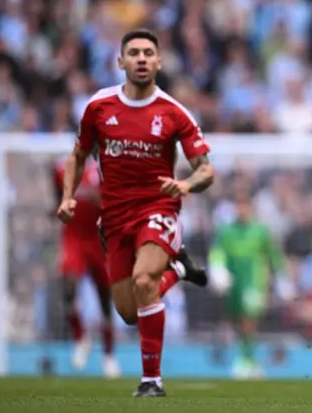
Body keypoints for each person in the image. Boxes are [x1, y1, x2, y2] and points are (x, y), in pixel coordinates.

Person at [57, 28, 213, 397]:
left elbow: (206, 169)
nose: (141, 58)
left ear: (158, 61)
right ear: (120, 61)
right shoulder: (99, 107)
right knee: (128, 311)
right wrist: (67, 197)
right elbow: (78, 155)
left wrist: (187, 185)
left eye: (148, 53)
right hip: (113, 218)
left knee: (145, 282)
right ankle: (178, 268)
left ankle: (151, 381)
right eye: (134, 53)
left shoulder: (174, 113)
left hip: (158, 208)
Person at [208, 195, 291, 379]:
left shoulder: (260, 231)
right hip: (233, 282)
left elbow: (274, 254)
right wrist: (217, 269)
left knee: (249, 318)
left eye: (245, 207)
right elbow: (217, 252)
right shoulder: (226, 231)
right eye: (239, 207)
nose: (242, 211)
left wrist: (282, 278)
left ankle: (246, 360)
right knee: (238, 320)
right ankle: (247, 358)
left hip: (254, 281)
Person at [52, 156, 120, 378]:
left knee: (105, 301)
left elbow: (112, 203)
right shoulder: (63, 169)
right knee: (68, 288)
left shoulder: (104, 170)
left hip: (98, 239)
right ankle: (80, 337)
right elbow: (58, 192)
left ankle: (109, 356)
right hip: (73, 237)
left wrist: (96, 197)